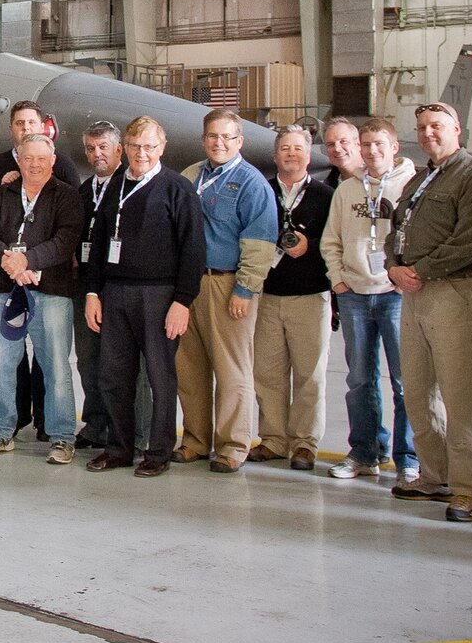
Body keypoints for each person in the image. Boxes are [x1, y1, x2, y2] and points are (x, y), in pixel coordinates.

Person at [387, 102, 472, 523]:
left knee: (459, 395)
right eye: (421, 127)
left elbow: (469, 241)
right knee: (416, 392)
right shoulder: (421, 179)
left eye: (436, 126)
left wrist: (420, 269)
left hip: (452, 291)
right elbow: (396, 230)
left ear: (457, 128)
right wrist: (393, 266)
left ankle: (468, 490)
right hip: (414, 293)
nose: (427, 133)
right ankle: (435, 476)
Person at [81, 116, 203, 478]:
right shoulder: (115, 185)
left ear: (161, 149)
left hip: (160, 295)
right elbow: (99, 243)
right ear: (125, 149)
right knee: (113, 375)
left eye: (149, 147)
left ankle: (158, 452)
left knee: (160, 376)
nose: (141, 154)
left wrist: (182, 301)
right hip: (115, 292)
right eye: (135, 147)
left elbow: (193, 249)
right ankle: (119, 447)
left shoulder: (178, 189)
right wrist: (92, 291)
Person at [177, 108, 278, 473]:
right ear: (204, 139)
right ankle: (195, 440)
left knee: (231, 370)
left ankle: (233, 446)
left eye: (227, 137)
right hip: (189, 285)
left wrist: (245, 289)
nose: (219, 143)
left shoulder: (252, 183)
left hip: (227, 284)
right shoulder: (191, 176)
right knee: (190, 369)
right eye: (212, 137)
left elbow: (260, 241)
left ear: (239, 141)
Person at [318, 118, 420, 481]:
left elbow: (421, 238)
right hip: (355, 297)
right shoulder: (347, 191)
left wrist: (404, 278)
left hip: (395, 296)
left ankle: (408, 457)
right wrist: (339, 280)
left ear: (394, 147)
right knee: (360, 380)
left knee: (405, 381)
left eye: (379, 144)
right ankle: (364, 452)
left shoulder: (411, 185)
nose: (372, 151)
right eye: (366, 145)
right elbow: (331, 240)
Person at [0, 135, 84, 464]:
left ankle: (62, 437)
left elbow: (65, 240)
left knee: (56, 368)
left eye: (41, 158)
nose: (35, 164)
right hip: (8, 291)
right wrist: (10, 261)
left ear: (52, 160)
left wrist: (29, 261)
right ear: (18, 160)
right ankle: (1, 431)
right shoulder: (2, 194)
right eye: (28, 158)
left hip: (51, 294)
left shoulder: (66, 196)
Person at [251, 124, 335, 471]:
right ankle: (273, 439)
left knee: (309, 374)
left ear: (308, 153)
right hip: (268, 297)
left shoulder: (325, 196)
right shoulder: (262, 191)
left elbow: (336, 243)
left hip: (309, 296)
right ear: (275, 155)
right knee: (267, 373)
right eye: (284, 148)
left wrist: (309, 247)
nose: (291, 154)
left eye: (298, 148)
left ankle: (304, 443)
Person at [72, 121, 126, 450]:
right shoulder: (84, 189)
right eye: (91, 149)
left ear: (119, 149)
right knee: (87, 357)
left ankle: (119, 424)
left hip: (117, 285)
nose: (97, 154)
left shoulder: (127, 186)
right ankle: (94, 421)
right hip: (85, 284)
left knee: (116, 360)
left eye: (104, 147)